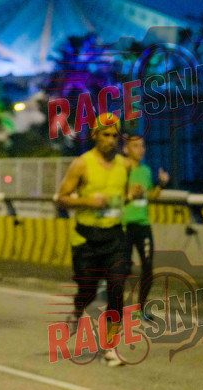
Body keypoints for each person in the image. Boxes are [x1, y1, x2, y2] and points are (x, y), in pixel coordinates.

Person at [55, 113, 142, 367]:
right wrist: (88, 202)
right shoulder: (82, 164)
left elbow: (120, 197)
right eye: (106, 135)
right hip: (87, 239)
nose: (111, 140)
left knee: (117, 289)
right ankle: (77, 310)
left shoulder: (125, 166)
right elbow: (61, 198)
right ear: (95, 136)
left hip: (115, 237)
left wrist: (131, 195)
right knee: (88, 289)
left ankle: (110, 347)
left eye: (115, 136)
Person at [122, 134, 169, 321]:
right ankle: (114, 307)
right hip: (124, 226)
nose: (140, 149)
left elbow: (151, 196)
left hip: (143, 225)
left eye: (142, 146)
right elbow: (114, 196)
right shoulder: (121, 169)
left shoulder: (146, 171)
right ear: (126, 149)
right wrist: (130, 194)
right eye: (135, 146)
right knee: (123, 269)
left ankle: (141, 309)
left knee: (148, 268)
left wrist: (161, 184)